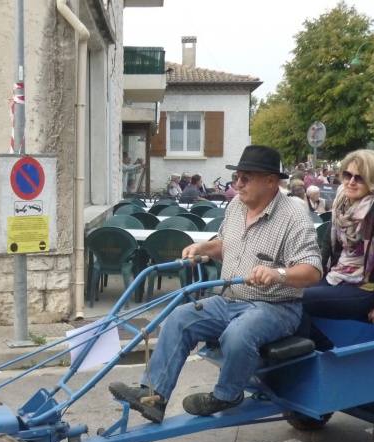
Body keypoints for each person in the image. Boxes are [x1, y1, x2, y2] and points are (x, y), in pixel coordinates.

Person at [108, 145, 322, 424]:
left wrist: (279, 273)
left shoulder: (293, 216)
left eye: (247, 177)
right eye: (237, 177)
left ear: (271, 181)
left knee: (238, 334)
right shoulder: (236, 206)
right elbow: (226, 245)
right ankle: (154, 396)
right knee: (179, 317)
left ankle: (228, 394)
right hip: (231, 299)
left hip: (277, 307)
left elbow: (313, 271)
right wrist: (203, 247)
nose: (238, 184)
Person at [300, 149, 374, 332]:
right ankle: (324, 348)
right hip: (337, 278)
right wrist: (312, 275)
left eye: (360, 178)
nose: (351, 182)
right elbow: (325, 248)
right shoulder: (341, 207)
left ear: (373, 181)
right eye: (348, 174)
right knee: (286, 293)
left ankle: (316, 353)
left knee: (300, 299)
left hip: (365, 288)